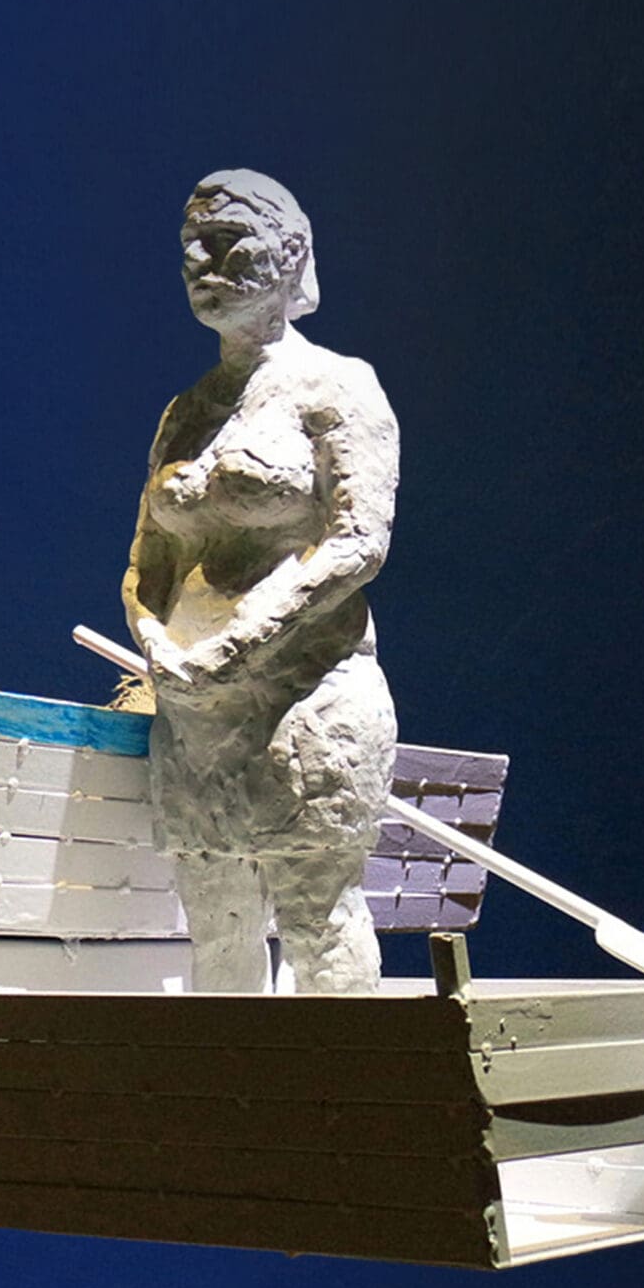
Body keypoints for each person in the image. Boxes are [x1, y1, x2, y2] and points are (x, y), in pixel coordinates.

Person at [123, 170, 400, 995]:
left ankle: (344, 1079)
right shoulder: (185, 411)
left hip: (304, 699)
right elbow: (147, 561)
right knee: (216, 933)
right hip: (193, 714)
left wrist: (239, 645)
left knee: (318, 924)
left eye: (227, 242)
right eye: (190, 247)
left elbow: (358, 542)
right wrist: (158, 646)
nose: (201, 263)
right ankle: (231, 1080)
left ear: (290, 255)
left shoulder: (338, 386)